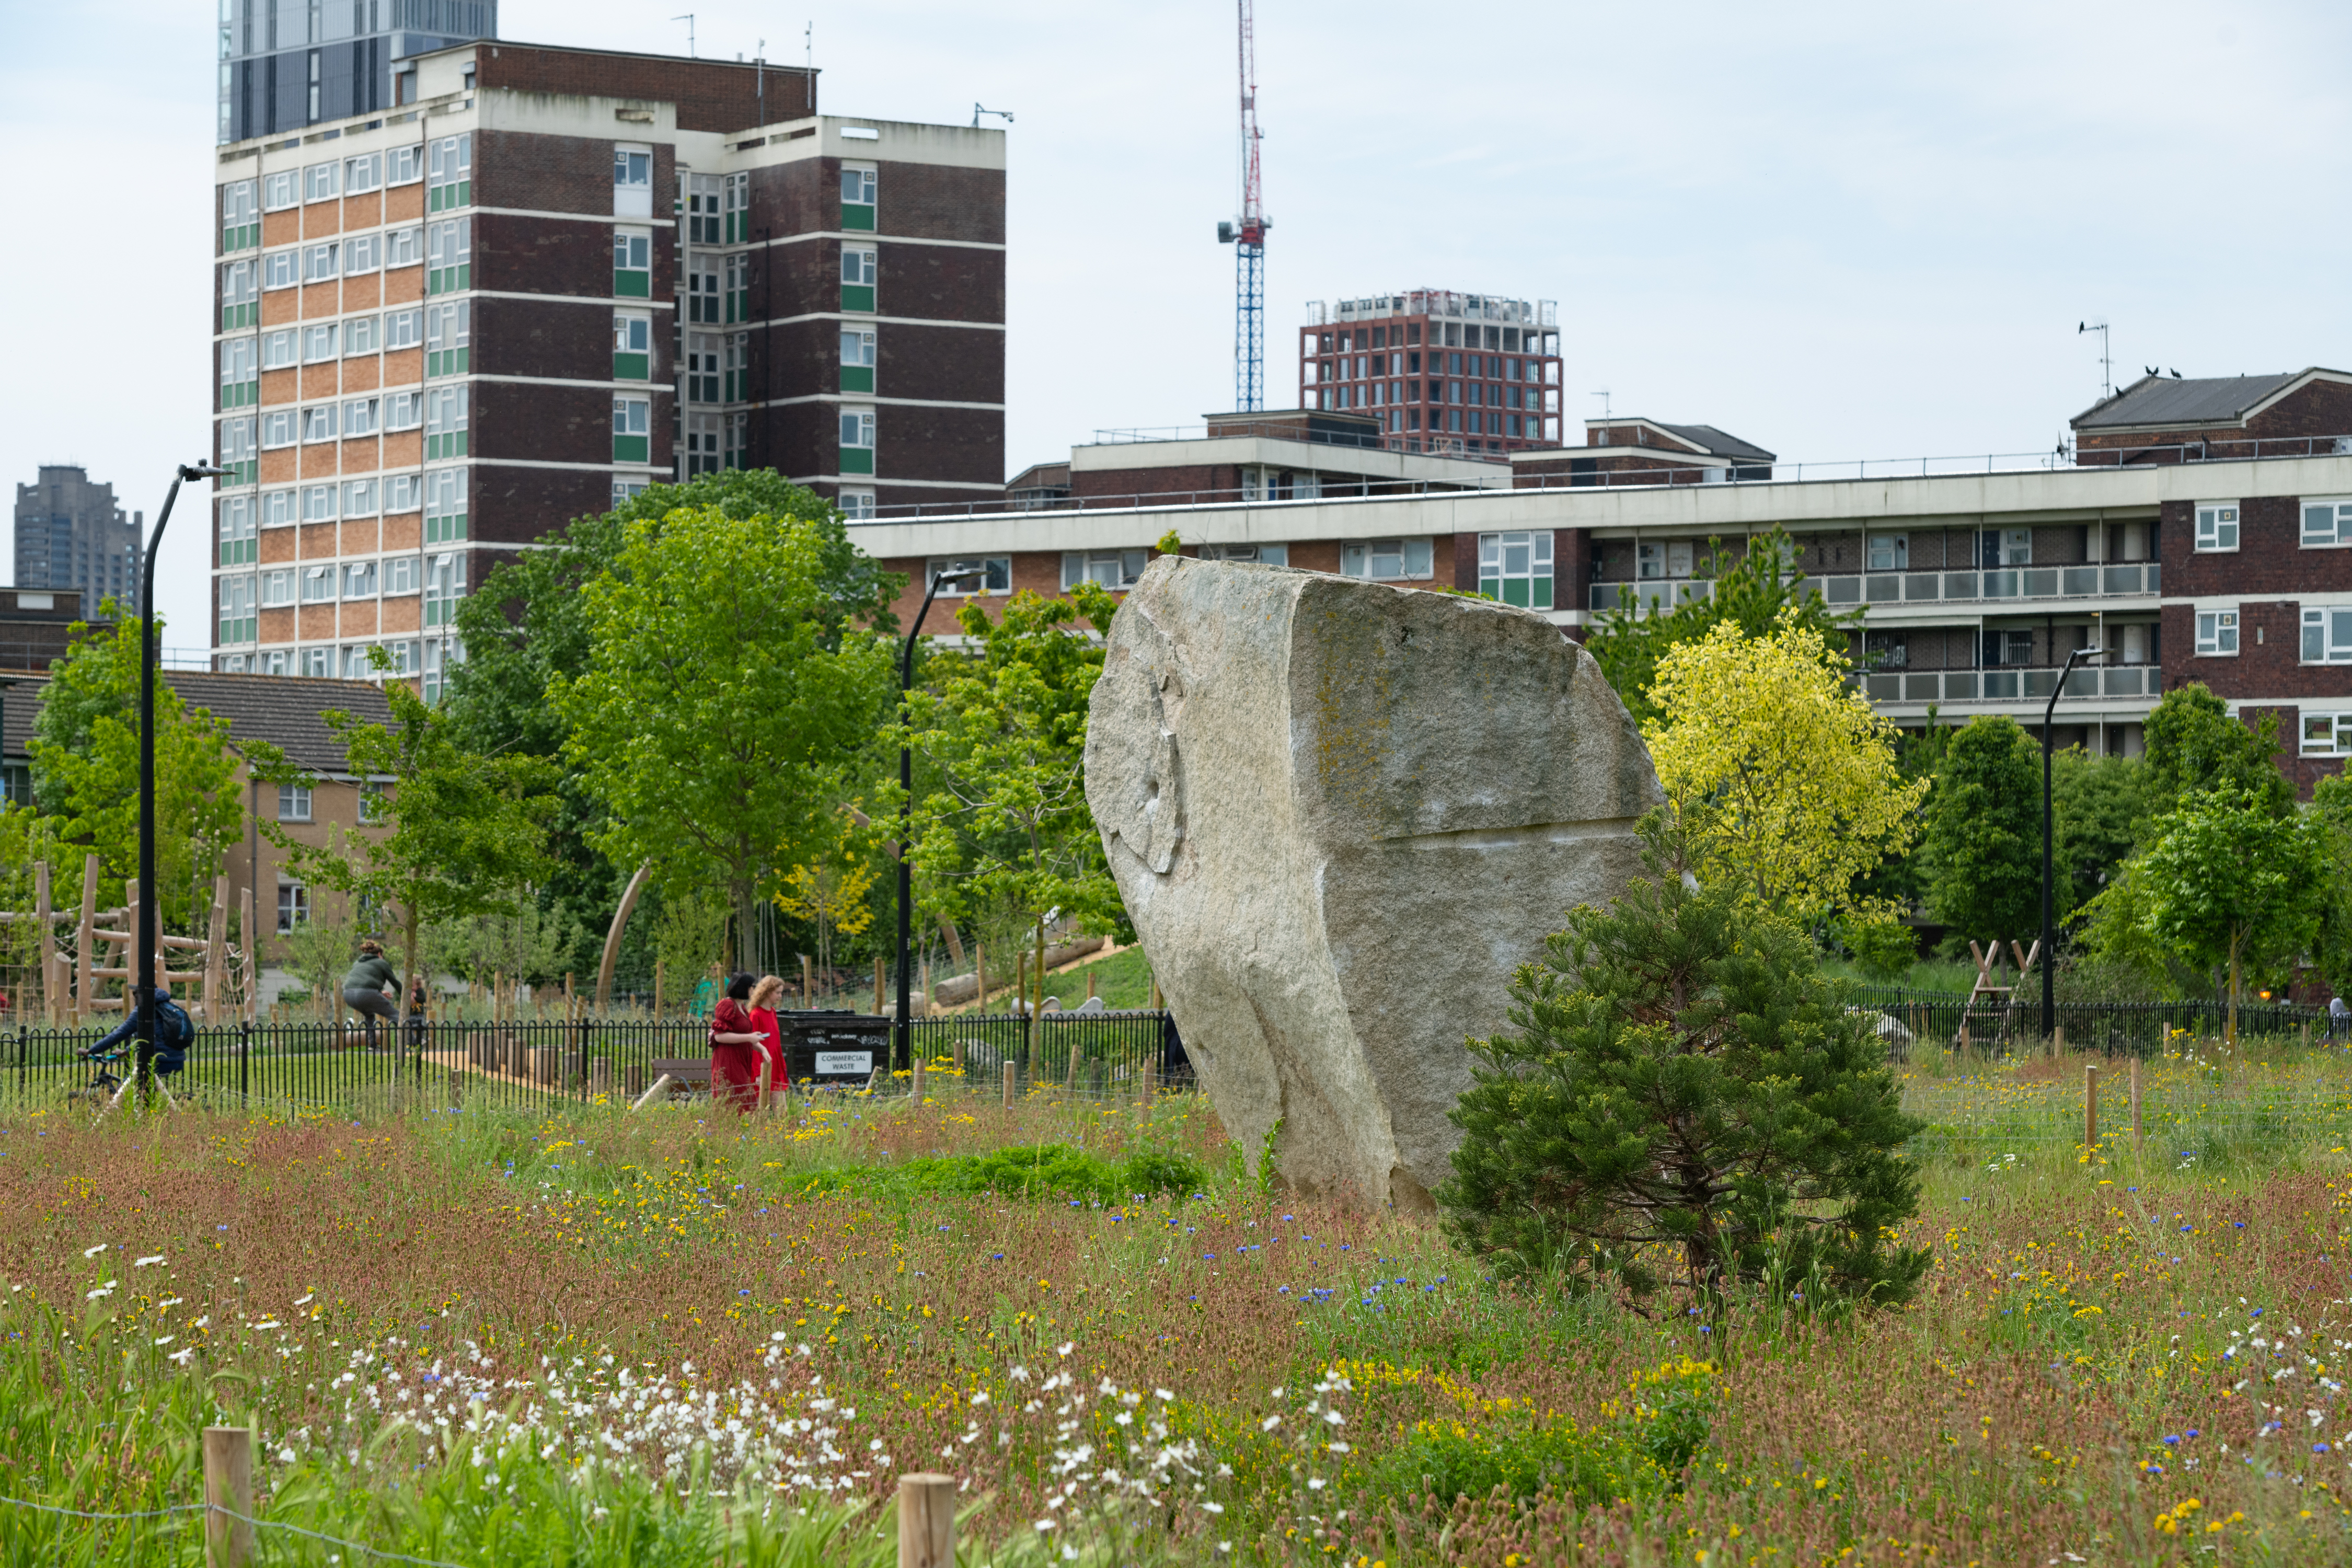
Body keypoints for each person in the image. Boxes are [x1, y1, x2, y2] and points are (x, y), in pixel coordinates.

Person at [709, 972, 767, 1111]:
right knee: (735, 1099)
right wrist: (749, 1038)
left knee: (744, 1097)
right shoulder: (727, 1005)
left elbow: (747, 1037)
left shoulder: (742, 1008)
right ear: (743, 988)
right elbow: (719, 1036)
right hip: (728, 1060)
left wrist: (763, 1049)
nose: (753, 990)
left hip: (741, 1059)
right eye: (751, 987)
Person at [342, 940, 400, 1051]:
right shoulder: (381, 962)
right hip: (366, 993)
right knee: (395, 1015)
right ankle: (413, 1042)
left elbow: (361, 982)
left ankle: (373, 1046)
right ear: (379, 954)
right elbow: (396, 983)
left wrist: (377, 993)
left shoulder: (357, 963)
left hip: (348, 995)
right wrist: (407, 997)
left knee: (369, 1016)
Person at [748, 974, 790, 1108]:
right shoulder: (756, 1014)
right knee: (762, 1112)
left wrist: (782, 1066)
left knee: (782, 1111)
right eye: (777, 993)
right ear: (767, 992)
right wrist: (757, 1074)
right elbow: (753, 1045)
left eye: (781, 993)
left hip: (775, 1065)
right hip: (762, 1066)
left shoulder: (773, 1012)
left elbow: (776, 1044)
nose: (780, 996)